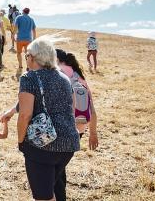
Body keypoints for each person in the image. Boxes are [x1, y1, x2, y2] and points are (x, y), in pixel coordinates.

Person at [0, 36, 80, 201]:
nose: (26, 57)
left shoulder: (28, 78)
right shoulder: (64, 78)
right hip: (68, 145)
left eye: (27, 55)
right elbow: (71, 109)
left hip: (42, 146)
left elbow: (25, 114)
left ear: (35, 58)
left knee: (43, 197)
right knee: (51, 190)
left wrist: (21, 141)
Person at [54, 48, 99, 201]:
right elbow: (92, 108)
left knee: (54, 170)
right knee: (60, 167)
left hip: (62, 128)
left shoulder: (58, 72)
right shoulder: (80, 77)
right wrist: (93, 133)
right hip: (79, 127)